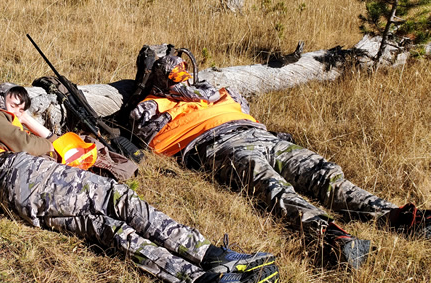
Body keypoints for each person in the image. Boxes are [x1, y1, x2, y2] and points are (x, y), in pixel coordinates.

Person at [0, 83, 280, 283]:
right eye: (14, 102)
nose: (19, 109)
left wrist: (31, 127)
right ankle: (212, 256)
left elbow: (40, 144)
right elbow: (31, 145)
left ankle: (200, 282)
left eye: (23, 106)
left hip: (16, 195)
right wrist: (39, 136)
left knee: (108, 227)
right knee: (116, 198)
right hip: (18, 172)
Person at [128, 55, 431, 268]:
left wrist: (203, 95)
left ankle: (396, 216)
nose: (181, 75)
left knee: (322, 172)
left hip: (262, 136)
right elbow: (146, 134)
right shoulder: (154, 105)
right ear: (160, 81)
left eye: (182, 70)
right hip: (217, 145)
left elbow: (243, 107)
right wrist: (176, 100)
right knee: (270, 185)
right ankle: (331, 236)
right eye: (173, 73)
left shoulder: (219, 92)